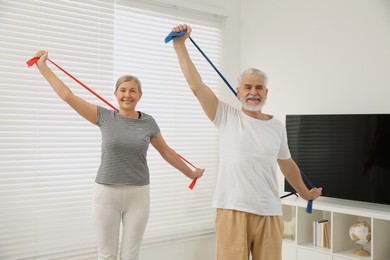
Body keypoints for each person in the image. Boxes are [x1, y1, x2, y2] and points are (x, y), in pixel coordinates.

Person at [32, 50, 205, 260]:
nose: (127, 95)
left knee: (131, 255)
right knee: (106, 255)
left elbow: (166, 152)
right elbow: (68, 96)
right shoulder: (104, 117)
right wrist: (43, 66)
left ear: (140, 96)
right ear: (115, 93)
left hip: (138, 195)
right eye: (123, 90)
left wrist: (191, 173)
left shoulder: (148, 122)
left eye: (133, 91)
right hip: (106, 194)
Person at [170, 24, 322, 260]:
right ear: (239, 92)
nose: (253, 92)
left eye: (259, 87)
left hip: (270, 211)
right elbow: (196, 86)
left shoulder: (276, 126)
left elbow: (287, 164)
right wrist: (180, 45)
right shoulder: (226, 116)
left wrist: (304, 193)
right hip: (232, 209)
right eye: (248, 87)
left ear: (266, 93)